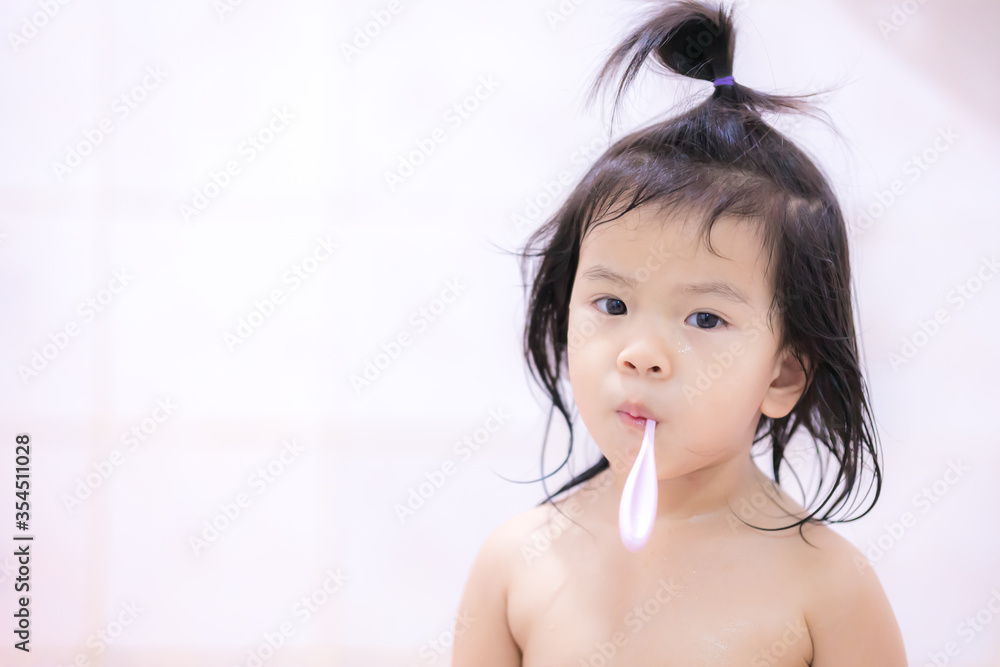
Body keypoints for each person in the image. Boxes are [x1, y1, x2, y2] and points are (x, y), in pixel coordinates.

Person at [451, 1, 907, 664]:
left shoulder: (828, 592)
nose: (641, 354)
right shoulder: (516, 566)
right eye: (611, 304)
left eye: (704, 318)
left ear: (781, 372)